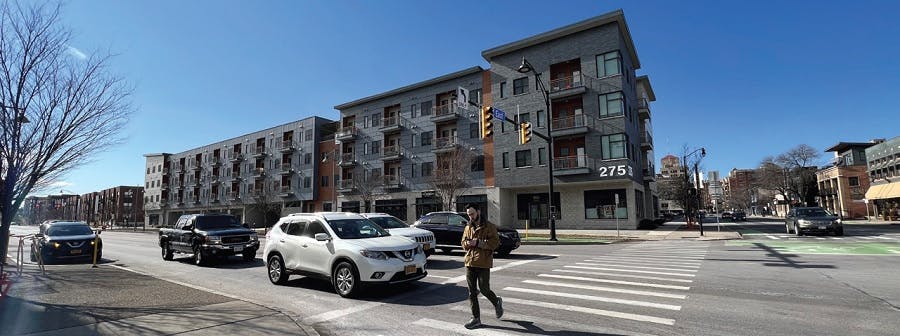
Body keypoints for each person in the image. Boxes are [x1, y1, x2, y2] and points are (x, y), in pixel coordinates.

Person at [461, 203, 503, 329]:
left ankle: (496, 301)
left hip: (483, 262)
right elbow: (462, 242)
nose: (470, 217)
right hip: (470, 262)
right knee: (471, 292)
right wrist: (467, 244)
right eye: (468, 215)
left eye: (472, 214)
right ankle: (476, 318)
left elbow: (495, 243)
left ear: (478, 212)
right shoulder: (468, 226)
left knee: (484, 289)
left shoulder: (489, 226)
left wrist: (479, 243)